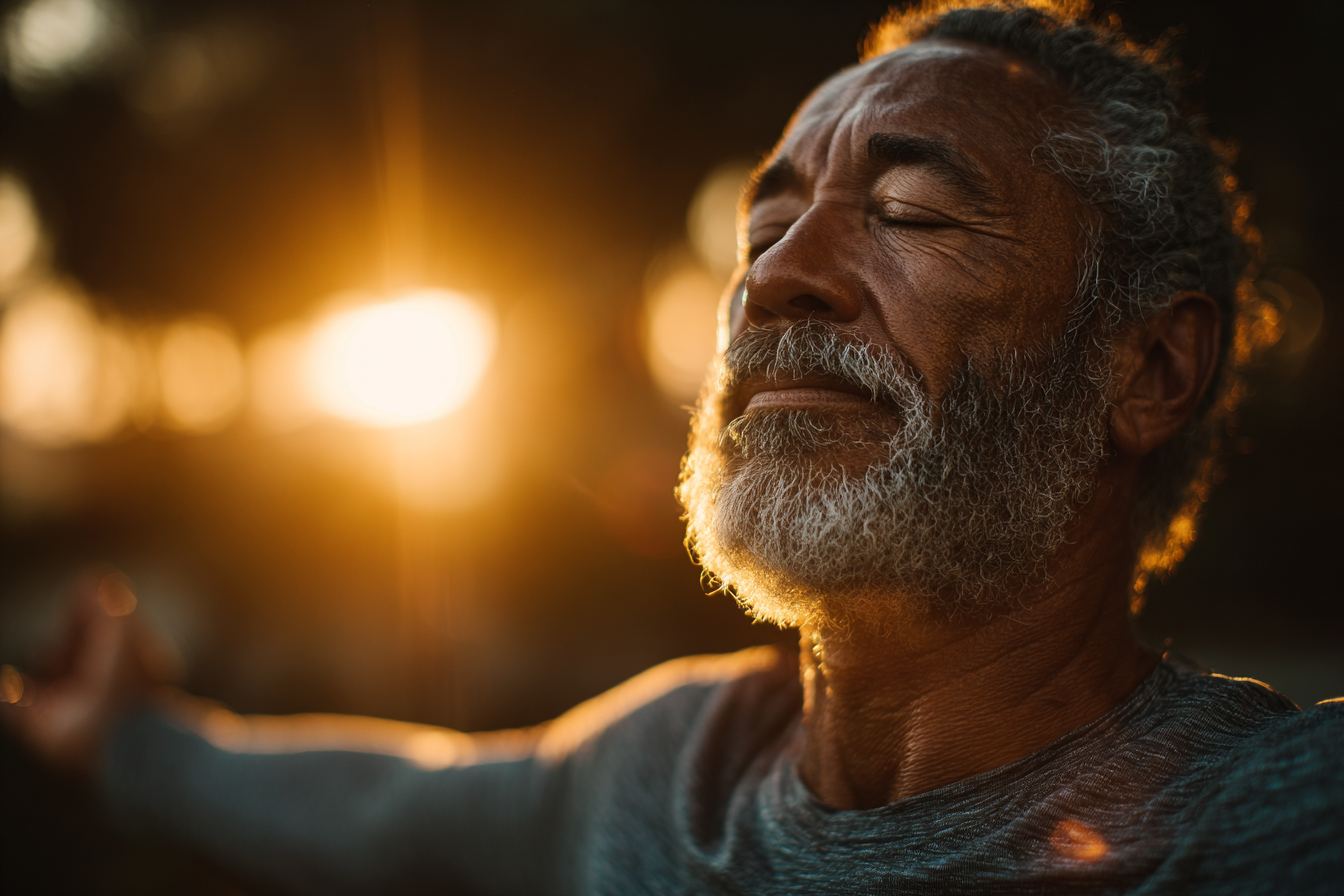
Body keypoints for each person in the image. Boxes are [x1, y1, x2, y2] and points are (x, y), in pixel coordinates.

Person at [5, 2, 1341, 894]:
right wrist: (132, 741)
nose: (779, 279)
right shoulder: (663, 777)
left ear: (1150, 366)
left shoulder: (1273, 821)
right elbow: (393, 804)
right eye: (761, 230)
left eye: (916, 213)